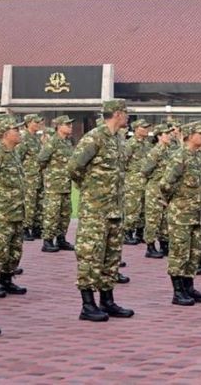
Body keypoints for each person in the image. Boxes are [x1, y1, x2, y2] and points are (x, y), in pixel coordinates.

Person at [68, 99, 134, 321]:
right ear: (117, 114)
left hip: (114, 208)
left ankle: (108, 300)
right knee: (91, 255)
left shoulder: (117, 139)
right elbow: (74, 167)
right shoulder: (94, 137)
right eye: (125, 113)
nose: (128, 116)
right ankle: (88, 305)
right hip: (95, 209)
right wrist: (89, 189)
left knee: (111, 256)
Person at [160, 122, 201, 306]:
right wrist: (175, 202)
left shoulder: (200, 157)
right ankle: (178, 291)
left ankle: (189, 287)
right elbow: (165, 184)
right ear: (190, 135)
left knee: (193, 251)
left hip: (198, 212)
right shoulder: (180, 157)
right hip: (182, 213)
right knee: (179, 252)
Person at [0, 116, 27, 297]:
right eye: (16, 130)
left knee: (15, 248)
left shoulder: (14, 153)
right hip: (2, 211)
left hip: (17, 210)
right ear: (5, 134)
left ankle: (7, 280)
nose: (19, 133)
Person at [37, 115, 76, 253]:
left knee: (65, 214)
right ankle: (47, 241)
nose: (70, 127)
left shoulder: (67, 142)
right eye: (67, 125)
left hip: (65, 184)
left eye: (70, 125)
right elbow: (41, 159)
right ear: (59, 126)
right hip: (54, 185)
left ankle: (61, 239)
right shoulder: (52, 142)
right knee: (52, 213)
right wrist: (51, 174)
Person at [141, 124, 177, 258]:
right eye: (166, 134)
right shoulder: (155, 152)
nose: (169, 136)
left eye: (169, 133)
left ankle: (164, 245)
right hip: (155, 188)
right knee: (153, 218)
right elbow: (145, 170)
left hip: (165, 188)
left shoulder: (168, 150)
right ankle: (150, 246)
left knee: (164, 219)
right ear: (159, 136)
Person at [123, 119, 152, 245]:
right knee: (132, 208)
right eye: (143, 127)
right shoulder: (130, 144)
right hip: (133, 182)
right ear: (136, 129)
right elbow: (123, 162)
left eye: (147, 127)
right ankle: (127, 233)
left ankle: (140, 233)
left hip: (146, 181)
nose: (146, 129)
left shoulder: (147, 144)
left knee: (144, 209)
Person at [17, 114, 45, 241]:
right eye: (36, 122)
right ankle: (25, 228)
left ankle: (36, 227)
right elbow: (18, 158)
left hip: (38, 176)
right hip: (28, 177)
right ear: (28, 123)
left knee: (38, 203)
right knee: (29, 203)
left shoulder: (36, 138)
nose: (38, 124)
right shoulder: (23, 138)